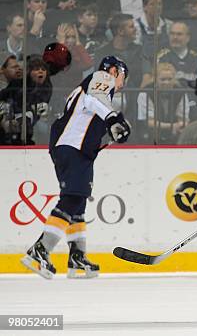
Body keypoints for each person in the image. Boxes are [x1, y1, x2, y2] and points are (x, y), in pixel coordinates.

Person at [20, 55, 132, 279]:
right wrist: (113, 119)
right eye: (123, 77)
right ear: (114, 71)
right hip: (73, 147)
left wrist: (115, 127)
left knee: (78, 200)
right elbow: (95, 100)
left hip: (74, 148)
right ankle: (39, 250)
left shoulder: (99, 90)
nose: (123, 83)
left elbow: (94, 115)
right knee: (72, 198)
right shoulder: (102, 77)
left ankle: (77, 256)